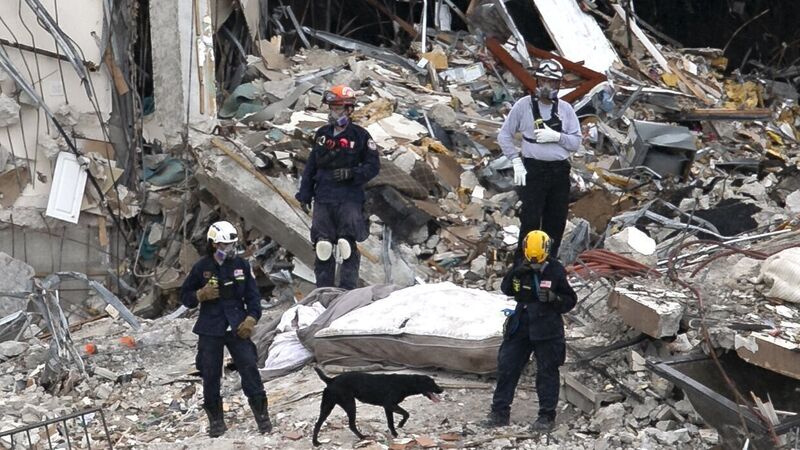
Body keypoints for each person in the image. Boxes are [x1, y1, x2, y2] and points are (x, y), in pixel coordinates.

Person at [180, 221, 272, 437]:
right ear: (214, 244)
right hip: (211, 328)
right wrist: (199, 295)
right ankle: (216, 424)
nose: (229, 249)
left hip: (237, 326)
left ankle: (263, 419)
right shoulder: (202, 267)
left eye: (232, 244)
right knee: (210, 374)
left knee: (249, 368)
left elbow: (253, 298)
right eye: (224, 245)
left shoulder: (241, 265)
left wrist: (251, 319)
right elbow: (185, 297)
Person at [485, 230, 578, 432]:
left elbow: (570, 300)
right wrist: (516, 274)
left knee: (547, 371)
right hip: (522, 323)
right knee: (508, 366)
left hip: (547, 327)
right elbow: (507, 289)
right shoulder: (521, 265)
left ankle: (546, 416)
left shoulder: (555, 269)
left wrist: (554, 299)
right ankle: (499, 412)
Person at [295, 84, 380, 290]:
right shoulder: (322, 134)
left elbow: (373, 166)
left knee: (346, 246)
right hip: (323, 197)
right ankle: (323, 291)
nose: (333, 113)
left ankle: (346, 291)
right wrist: (305, 194)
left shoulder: (360, 136)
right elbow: (311, 166)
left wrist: (352, 173)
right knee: (323, 247)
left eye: (338, 108)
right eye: (331, 108)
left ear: (349, 110)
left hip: (348, 198)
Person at [497, 59, 581, 261]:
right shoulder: (523, 106)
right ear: (537, 81)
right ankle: (523, 265)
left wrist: (557, 137)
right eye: (543, 81)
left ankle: (548, 264)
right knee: (530, 220)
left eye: (552, 82)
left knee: (556, 221)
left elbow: (576, 142)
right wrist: (516, 161)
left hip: (559, 171)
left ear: (558, 84)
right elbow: (504, 135)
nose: (547, 86)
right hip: (533, 170)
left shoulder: (565, 109)